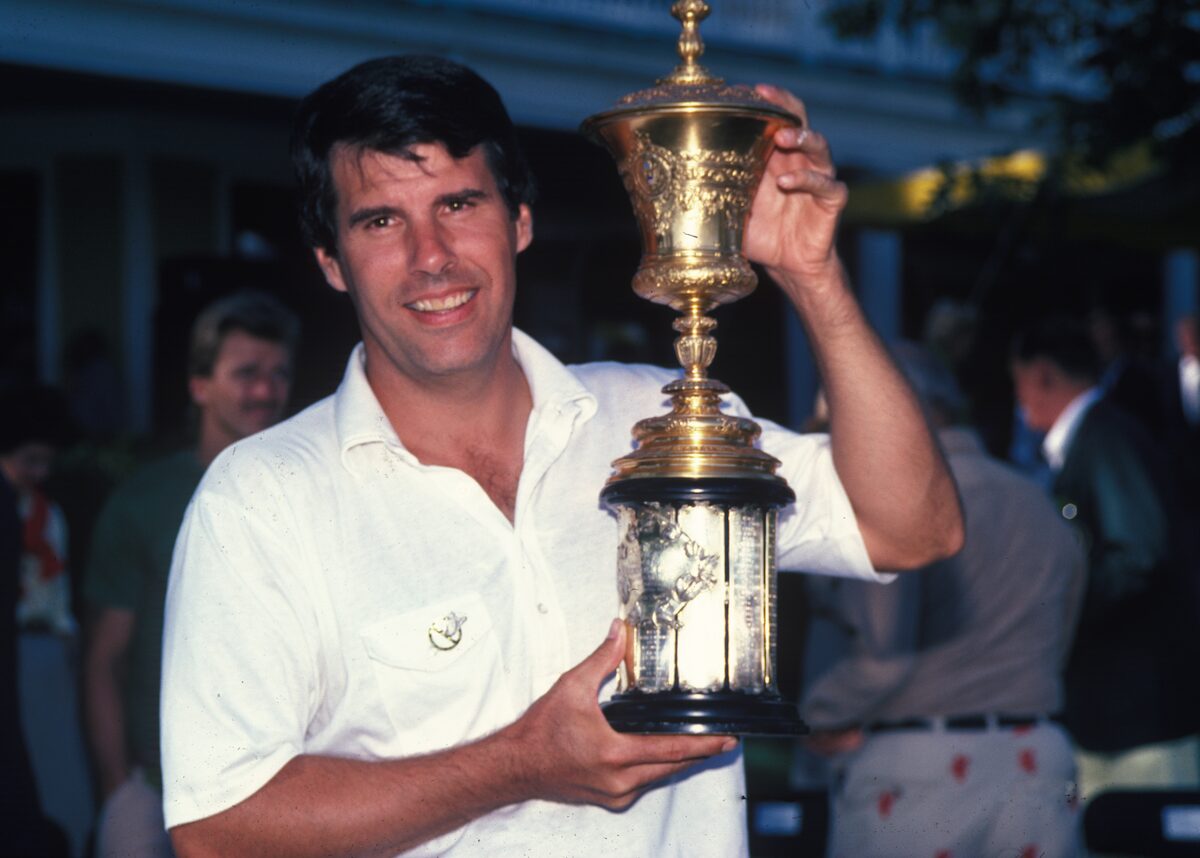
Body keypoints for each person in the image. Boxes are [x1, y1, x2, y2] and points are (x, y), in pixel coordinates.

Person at [159, 55, 963, 857]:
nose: (430, 254)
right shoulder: (262, 498)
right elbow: (215, 831)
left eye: (459, 204)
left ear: (520, 221)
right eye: (380, 222)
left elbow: (912, 528)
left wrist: (813, 275)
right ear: (331, 260)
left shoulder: (660, 418)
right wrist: (518, 765)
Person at [798, 342, 1086, 858]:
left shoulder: (899, 505)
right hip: (1037, 760)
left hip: (922, 774)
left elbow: (885, 657)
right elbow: (1063, 635)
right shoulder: (1037, 501)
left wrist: (813, 716)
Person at [82, 291, 298, 858]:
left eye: (278, 374)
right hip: (155, 786)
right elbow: (105, 657)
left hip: (278, 782)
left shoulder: (306, 491)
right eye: (246, 373)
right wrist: (116, 787)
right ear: (199, 385)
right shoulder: (144, 499)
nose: (265, 390)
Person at [1010, 316, 1200, 805]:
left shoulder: (1105, 439)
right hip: (1121, 710)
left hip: (1139, 716)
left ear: (1041, 376)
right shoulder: (1098, 437)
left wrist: (1062, 611)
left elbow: (1138, 553)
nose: (1018, 398)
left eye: (1018, 383)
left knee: (1140, 828)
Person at [0, 385, 74, 858]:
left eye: (46, 463)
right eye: (29, 460)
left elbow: (58, 584)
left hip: (38, 648)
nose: (38, 473)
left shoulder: (47, 515)